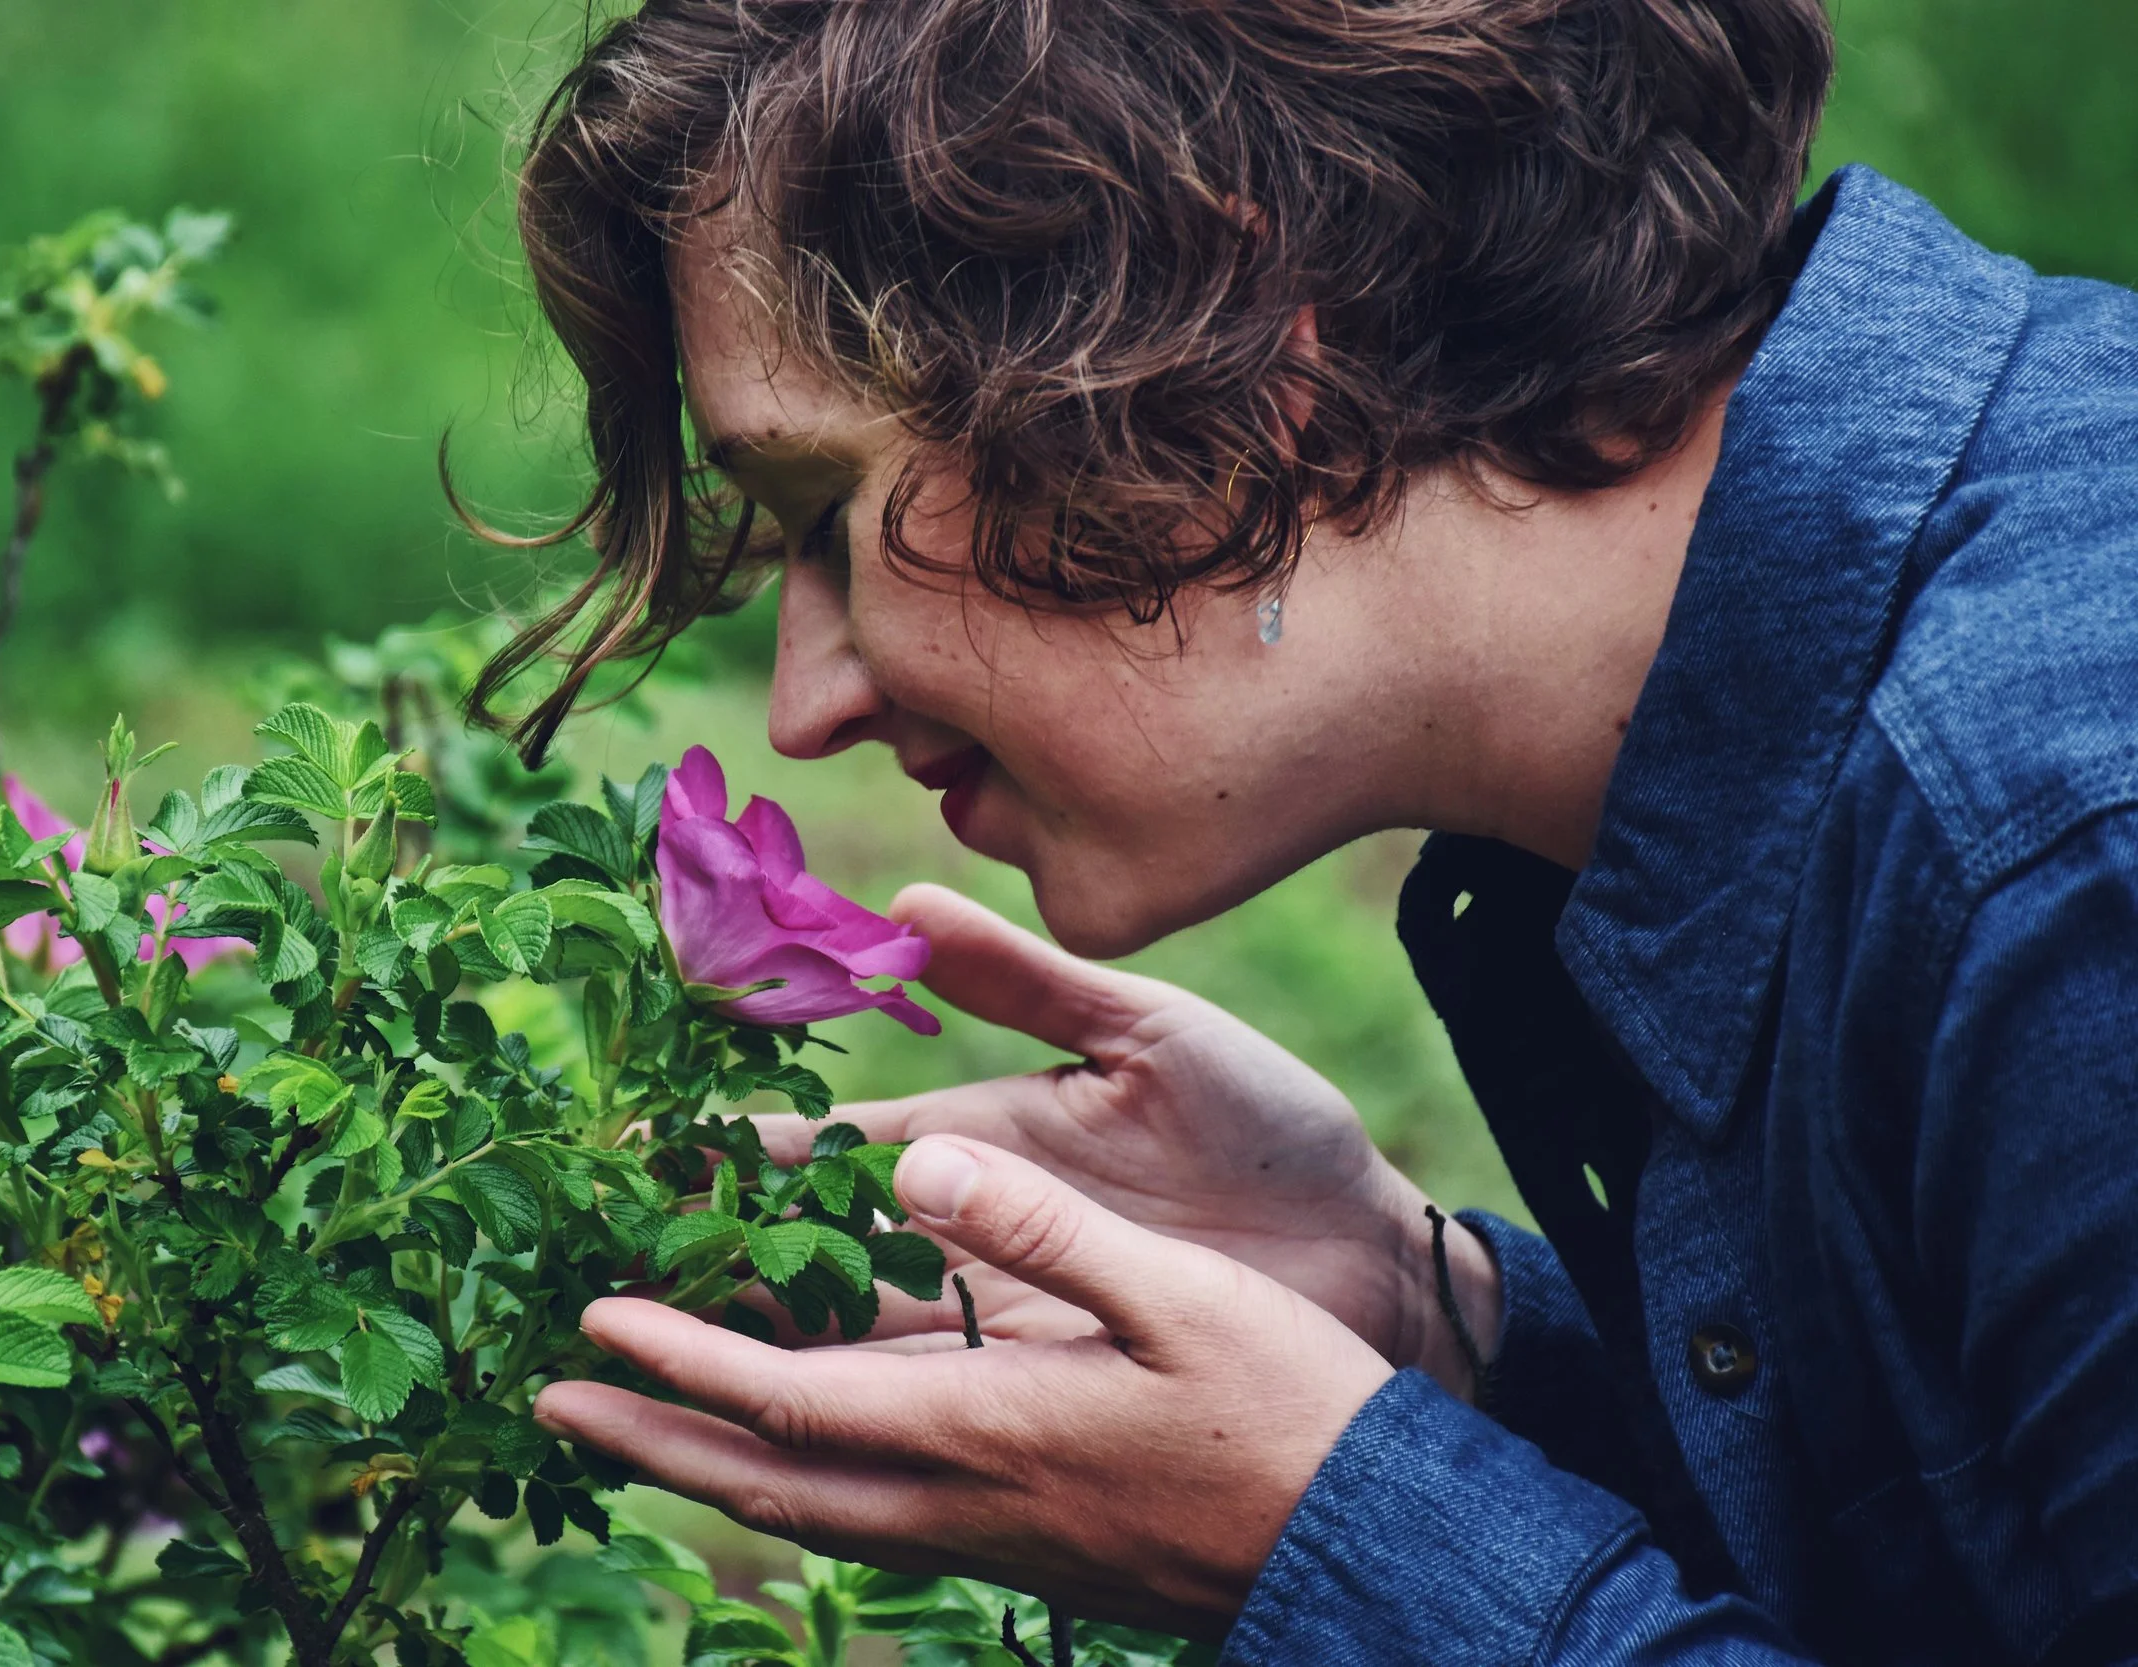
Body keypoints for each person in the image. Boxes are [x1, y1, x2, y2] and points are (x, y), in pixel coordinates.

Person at [465, 3, 2138, 1661]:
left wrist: (1350, 1543)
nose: (802, 707)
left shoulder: (2061, 846)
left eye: (826, 516)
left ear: (1222, 349)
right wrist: (1442, 1331)